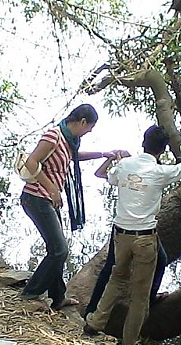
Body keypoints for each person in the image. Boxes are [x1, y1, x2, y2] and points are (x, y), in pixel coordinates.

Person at [84, 114, 181, 345]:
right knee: (140, 294)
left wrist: (114, 159)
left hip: (120, 235)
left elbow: (106, 176)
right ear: (162, 150)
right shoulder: (159, 173)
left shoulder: (125, 166)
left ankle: (94, 322)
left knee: (116, 278)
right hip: (145, 239)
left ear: (142, 143)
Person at [20, 104, 128, 310]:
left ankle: (58, 297)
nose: (89, 132)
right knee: (60, 250)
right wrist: (52, 188)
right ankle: (31, 293)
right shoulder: (54, 136)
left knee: (55, 249)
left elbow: (74, 156)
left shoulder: (70, 141)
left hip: (49, 200)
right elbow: (31, 162)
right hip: (36, 198)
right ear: (82, 122)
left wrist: (104, 154)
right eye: (89, 128)